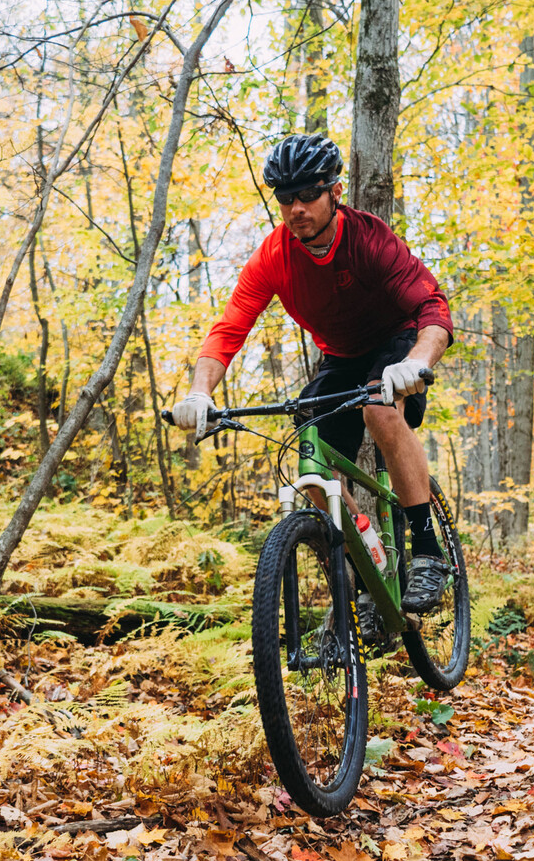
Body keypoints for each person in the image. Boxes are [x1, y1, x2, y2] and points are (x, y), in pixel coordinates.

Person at [170, 133, 454, 614]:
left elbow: (432, 307)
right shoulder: (274, 257)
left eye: (308, 194)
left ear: (335, 192)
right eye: (285, 197)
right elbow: (229, 328)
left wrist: (418, 363)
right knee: (309, 462)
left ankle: (428, 552)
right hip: (341, 357)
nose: (296, 207)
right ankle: (370, 558)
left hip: (397, 341)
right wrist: (199, 394)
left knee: (380, 412)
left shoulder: (369, 239)